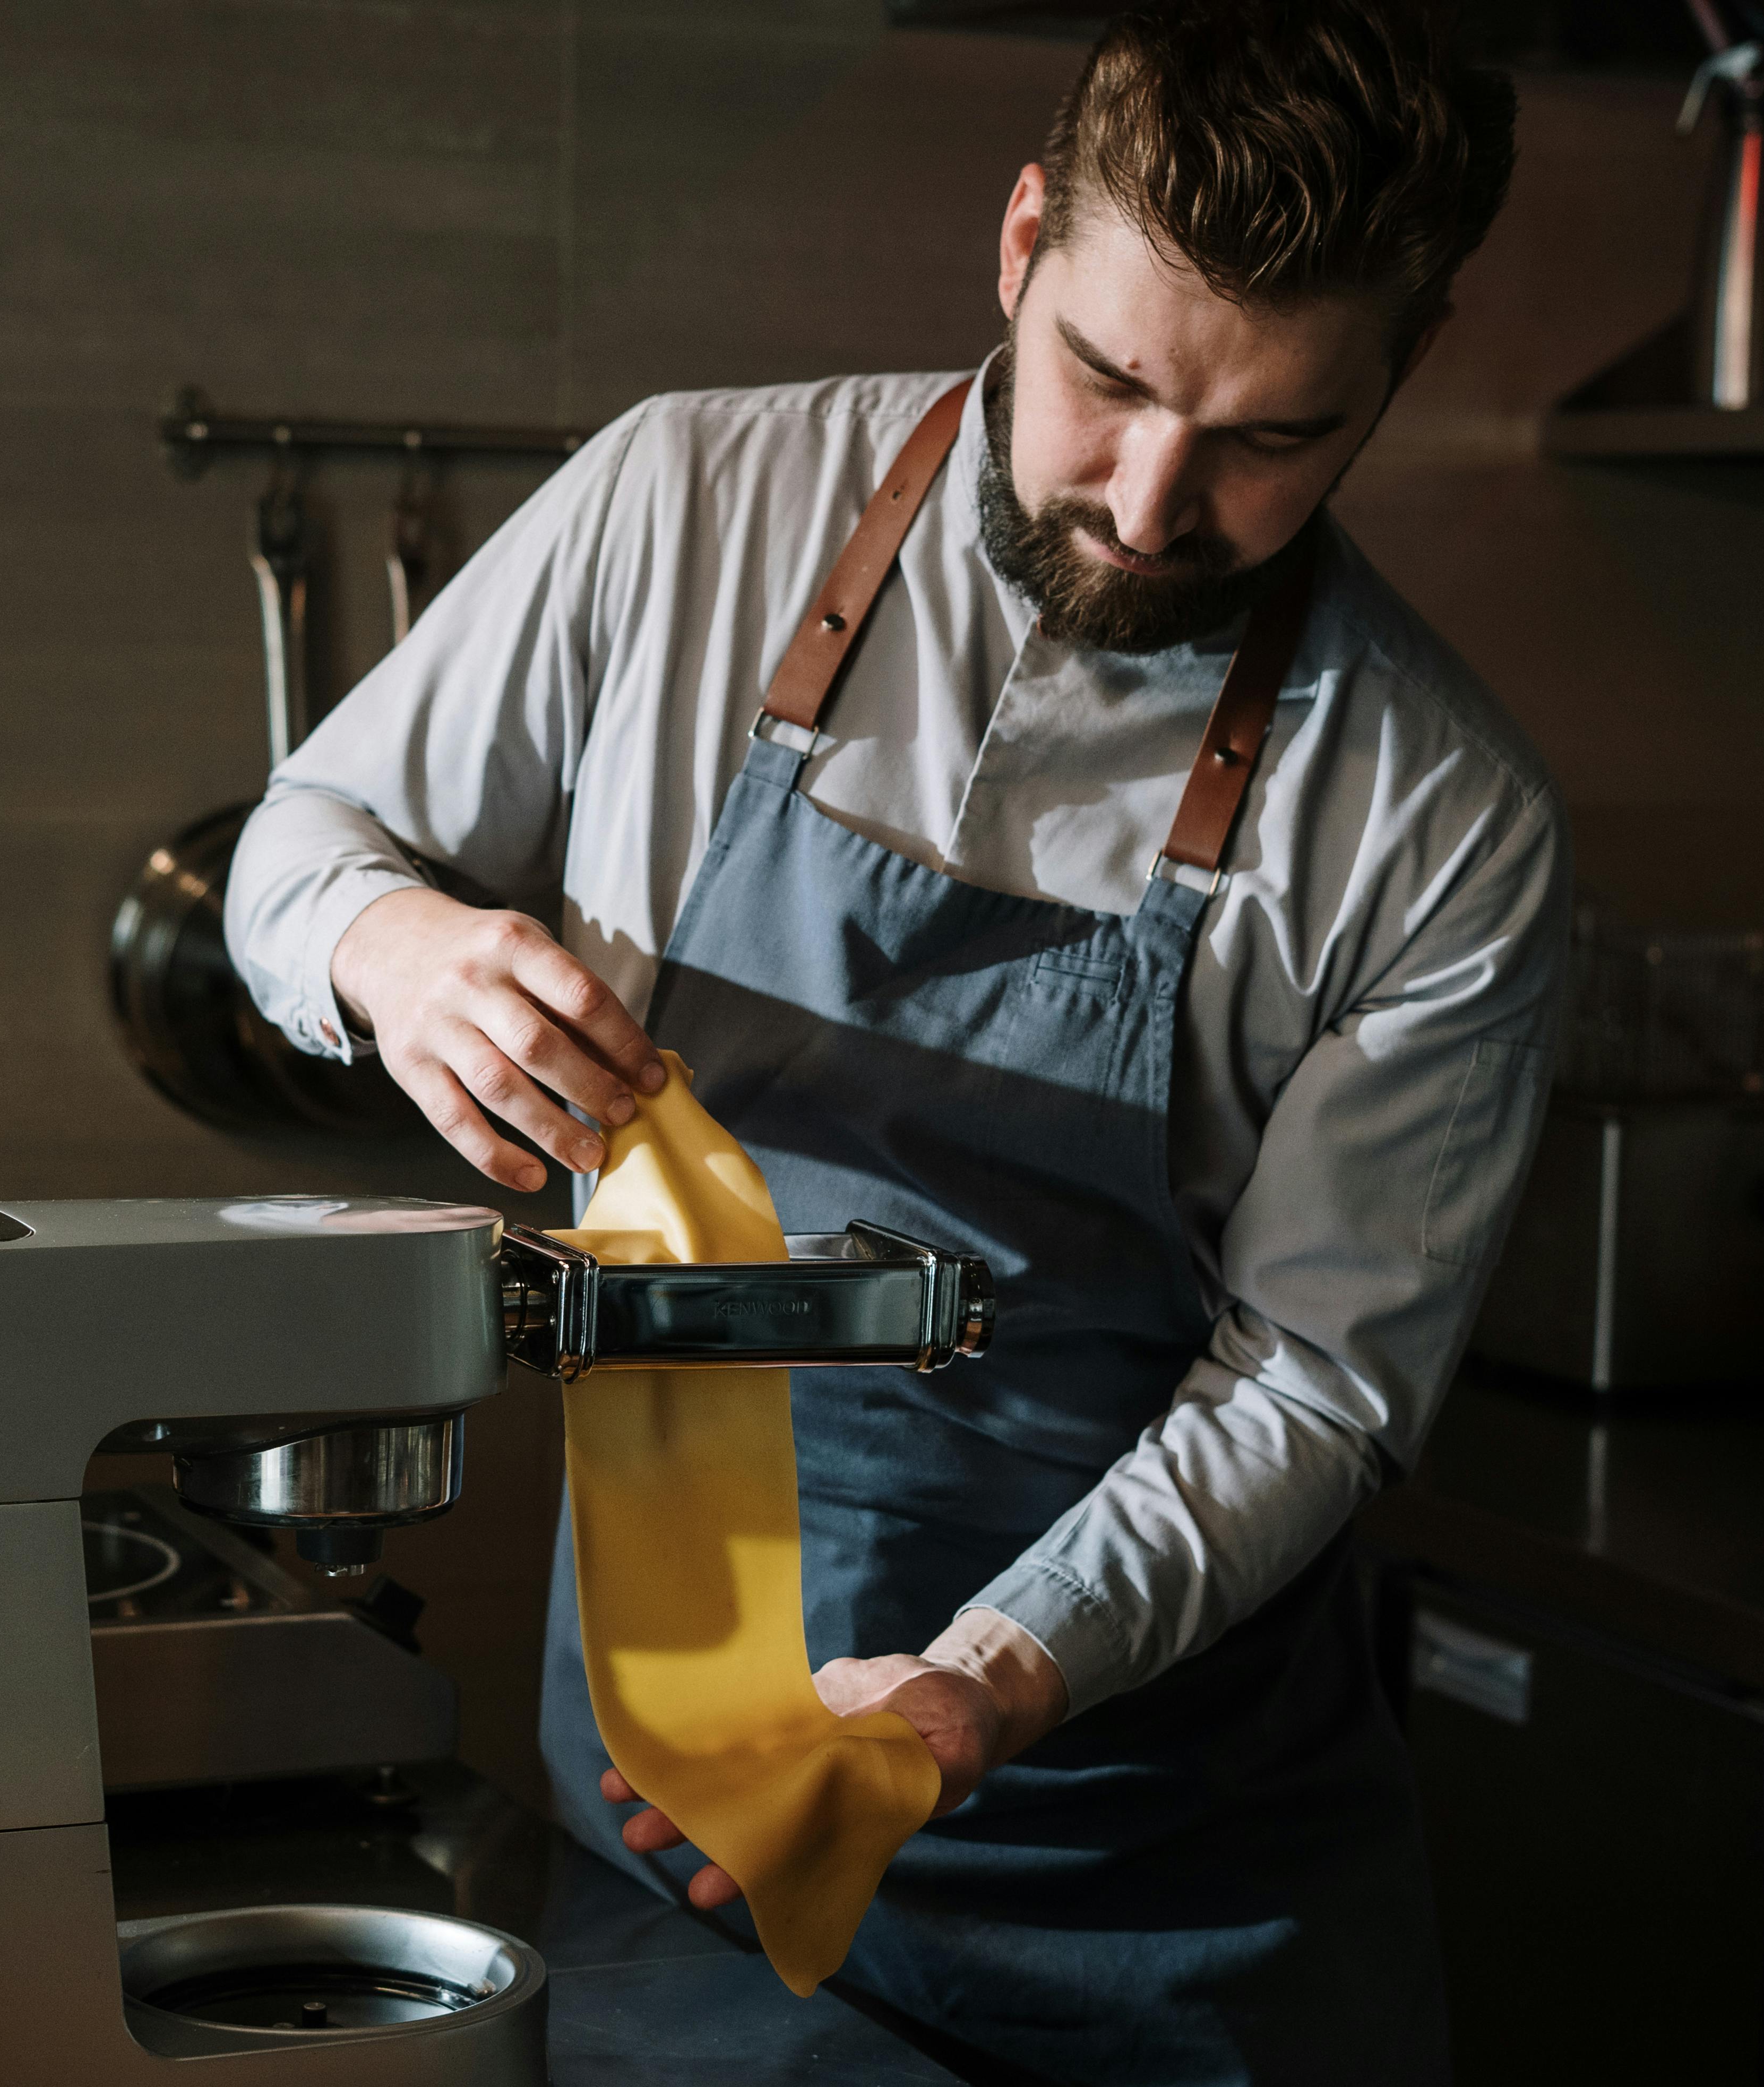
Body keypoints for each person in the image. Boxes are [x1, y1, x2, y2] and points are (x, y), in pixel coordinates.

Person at [226, 3, 1562, 2078]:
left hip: (1161, 1896)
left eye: (1270, 438)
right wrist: (391, 945)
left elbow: (1311, 1380)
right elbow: (297, 841)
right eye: (1108, 381)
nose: (1148, 501)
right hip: (674, 1834)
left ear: (1408, 363)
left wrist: (993, 1677)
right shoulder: (684, 497)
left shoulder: (1438, 816)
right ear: (1020, 238)